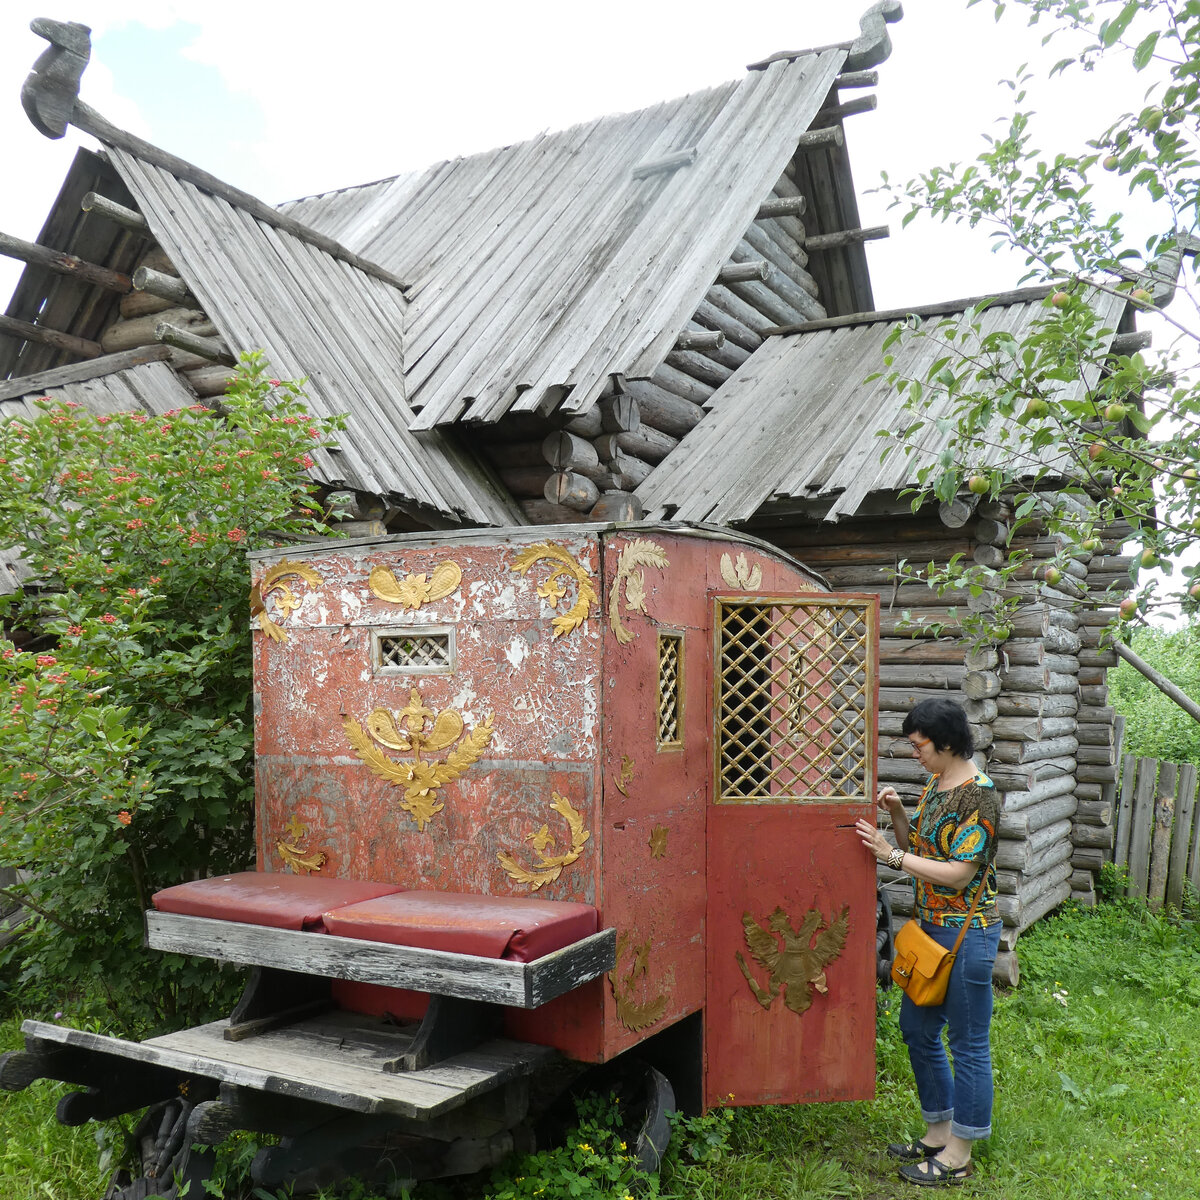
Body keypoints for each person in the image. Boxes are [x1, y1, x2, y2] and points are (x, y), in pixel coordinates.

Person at [855, 696, 1001, 1188]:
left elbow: (959, 874)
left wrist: (891, 856)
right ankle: (939, 1130)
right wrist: (898, 813)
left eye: (919, 746)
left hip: (967, 935)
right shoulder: (937, 784)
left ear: (946, 744)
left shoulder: (980, 795)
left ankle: (959, 1152)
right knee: (916, 1028)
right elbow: (918, 844)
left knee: (968, 1043)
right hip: (930, 930)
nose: (914, 754)